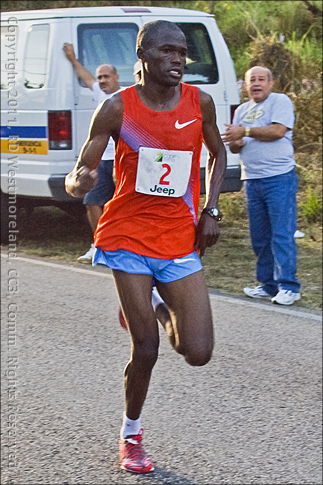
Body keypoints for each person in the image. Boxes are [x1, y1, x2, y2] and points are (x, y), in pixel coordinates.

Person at [65, 20, 226, 474]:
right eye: (168, 52)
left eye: (182, 53)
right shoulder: (117, 109)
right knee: (148, 349)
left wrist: (210, 210)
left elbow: (218, 154)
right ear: (143, 56)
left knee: (197, 351)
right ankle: (130, 437)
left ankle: (153, 301)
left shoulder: (201, 103)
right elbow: (80, 172)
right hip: (127, 236)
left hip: (178, 236)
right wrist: (81, 181)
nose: (178, 60)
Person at [222, 66, 301, 306]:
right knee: (260, 237)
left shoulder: (280, 101)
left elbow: (278, 131)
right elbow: (237, 146)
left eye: (261, 79)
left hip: (279, 178)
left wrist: (244, 131)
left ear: (271, 82)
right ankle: (268, 285)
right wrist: (234, 141)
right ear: (245, 86)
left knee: (281, 234)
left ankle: (289, 286)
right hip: (252, 179)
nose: (256, 84)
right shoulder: (243, 110)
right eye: (251, 81)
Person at [63, 43, 123, 263]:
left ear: (117, 77)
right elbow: (86, 77)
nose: (102, 80)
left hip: (121, 162)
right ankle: (100, 246)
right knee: (91, 201)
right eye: (100, 77)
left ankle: (125, 249)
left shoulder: (126, 97)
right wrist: (72, 60)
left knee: (122, 206)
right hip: (100, 161)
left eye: (107, 76)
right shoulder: (99, 93)